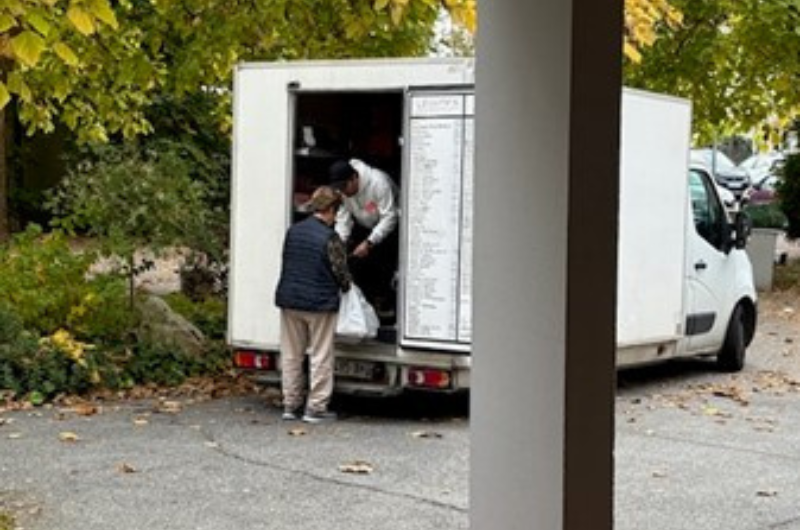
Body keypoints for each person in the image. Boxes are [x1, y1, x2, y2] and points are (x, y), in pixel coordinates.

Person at [274, 186, 352, 423]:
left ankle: (290, 404)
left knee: (291, 354)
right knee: (320, 355)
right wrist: (348, 287)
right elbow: (341, 273)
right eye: (335, 211)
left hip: (290, 300)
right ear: (329, 210)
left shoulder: (293, 231)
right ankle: (315, 407)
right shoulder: (331, 238)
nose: (336, 216)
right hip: (319, 304)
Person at [328, 159, 399, 321]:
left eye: (344, 187)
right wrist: (339, 244)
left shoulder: (378, 183)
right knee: (357, 264)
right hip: (364, 224)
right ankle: (366, 309)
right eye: (338, 189)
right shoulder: (343, 192)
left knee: (384, 265)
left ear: (354, 178)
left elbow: (390, 217)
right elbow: (343, 220)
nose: (343, 192)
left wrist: (370, 242)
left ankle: (386, 307)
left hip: (389, 227)